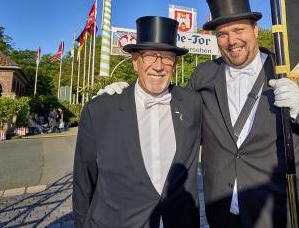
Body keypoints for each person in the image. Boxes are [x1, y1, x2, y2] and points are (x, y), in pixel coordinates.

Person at [101, 0, 299, 227]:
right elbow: (170, 108)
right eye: (222, 34)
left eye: (239, 30)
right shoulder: (203, 75)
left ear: (256, 30)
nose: (231, 40)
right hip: (223, 214)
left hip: (280, 212)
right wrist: (129, 92)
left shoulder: (290, 70)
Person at [73, 16, 202, 228]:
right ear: (135, 61)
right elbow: (83, 182)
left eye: (167, 58)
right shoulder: (100, 110)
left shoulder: (192, 104)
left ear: (175, 64)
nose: (158, 66)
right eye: (150, 56)